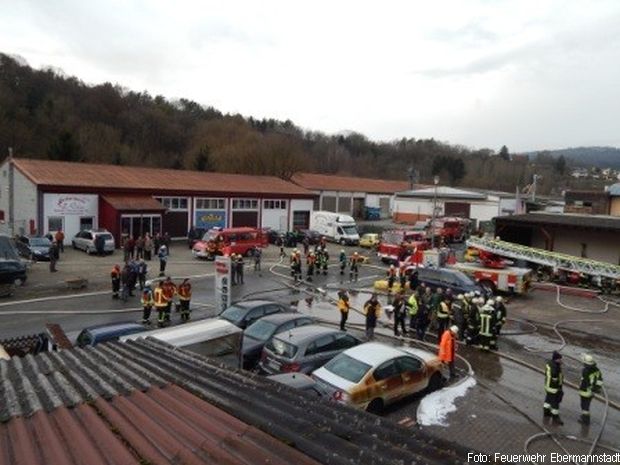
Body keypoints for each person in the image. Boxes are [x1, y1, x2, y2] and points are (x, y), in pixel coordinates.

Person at [578, 354, 603, 425]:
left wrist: (581, 389)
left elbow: (585, 382)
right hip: (592, 391)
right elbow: (600, 380)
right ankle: (584, 417)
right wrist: (596, 388)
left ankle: (585, 420)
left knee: (584, 406)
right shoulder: (597, 370)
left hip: (585, 391)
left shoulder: (585, 371)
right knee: (587, 404)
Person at [544, 351, 564, 425]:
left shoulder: (549, 363)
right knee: (555, 403)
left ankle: (546, 412)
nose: (561, 360)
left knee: (548, 400)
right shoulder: (555, 367)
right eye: (560, 359)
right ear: (556, 359)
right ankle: (555, 417)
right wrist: (559, 388)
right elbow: (555, 376)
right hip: (554, 388)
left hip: (548, 386)